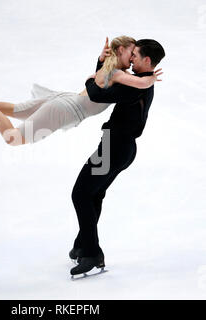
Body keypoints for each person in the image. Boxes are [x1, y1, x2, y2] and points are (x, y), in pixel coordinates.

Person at [0, 36, 162, 146]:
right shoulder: (118, 74)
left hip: (64, 99)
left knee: (16, 110)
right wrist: (150, 77)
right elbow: (140, 84)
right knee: (13, 138)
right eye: (131, 53)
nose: (133, 58)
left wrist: (99, 61)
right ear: (121, 50)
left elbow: (98, 80)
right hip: (64, 110)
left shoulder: (107, 67)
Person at [69, 38, 166, 277]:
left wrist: (90, 78)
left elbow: (97, 94)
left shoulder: (136, 85)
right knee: (94, 193)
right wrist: (101, 63)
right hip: (123, 148)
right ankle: (84, 245)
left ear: (146, 60)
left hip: (114, 147)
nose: (130, 58)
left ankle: (91, 253)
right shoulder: (142, 82)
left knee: (81, 193)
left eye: (135, 55)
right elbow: (106, 84)